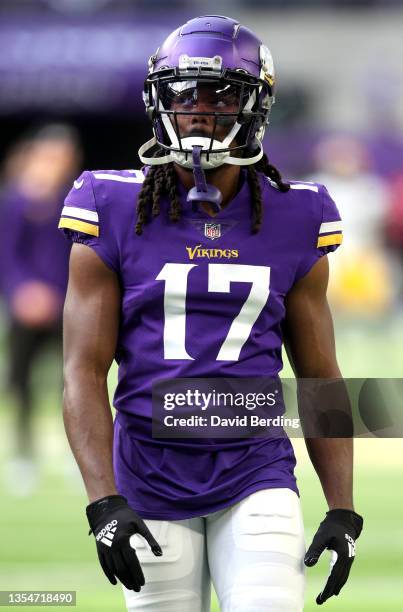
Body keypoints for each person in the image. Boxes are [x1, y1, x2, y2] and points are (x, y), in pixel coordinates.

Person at [60, 16, 363, 611]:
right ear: (157, 101)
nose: (197, 109)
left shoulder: (296, 214)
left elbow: (320, 375)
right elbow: (81, 370)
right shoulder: (109, 204)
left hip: (256, 469)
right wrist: (102, 502)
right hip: (147, 474)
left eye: (219, 92)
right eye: (181, 93)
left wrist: (343, 504)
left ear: (256, 104)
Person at [0, 123, 81, 495]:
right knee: (21, 385)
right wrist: (22, 292)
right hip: (24, 310)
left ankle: (73, 454)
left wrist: (62, 296)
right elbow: (8, 255)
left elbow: (76, 256)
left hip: (64, 307)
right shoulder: (14, 201)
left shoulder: (73, 200)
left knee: (72, 383)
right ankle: (23, 456)